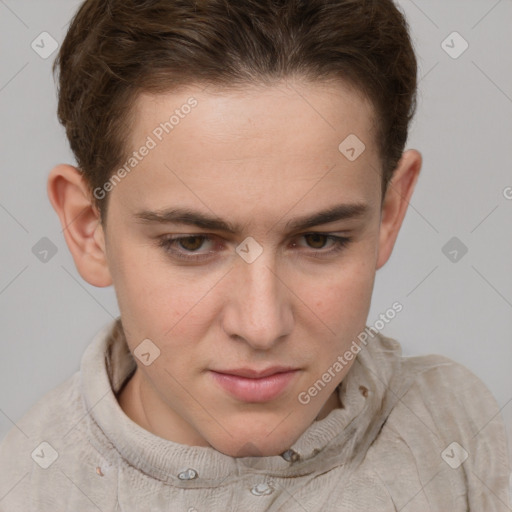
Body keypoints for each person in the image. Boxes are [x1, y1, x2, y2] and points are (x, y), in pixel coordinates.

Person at [0, 0, 510, 510]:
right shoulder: (25, 488)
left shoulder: (458, 433)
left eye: (318, 239)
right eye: (192, 243)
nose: (262, 326)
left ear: (388, 213)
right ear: (90, 230)